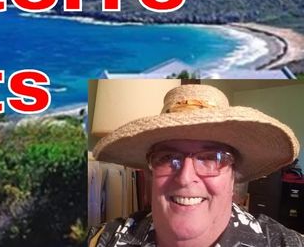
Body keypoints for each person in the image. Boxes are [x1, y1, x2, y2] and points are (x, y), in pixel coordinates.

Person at [88, 84, 304, 247]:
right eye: (167, 157)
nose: (185, 177)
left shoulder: (285, 243)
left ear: (233, 176)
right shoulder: (101, 240)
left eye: (211, 158)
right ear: (150, 172)